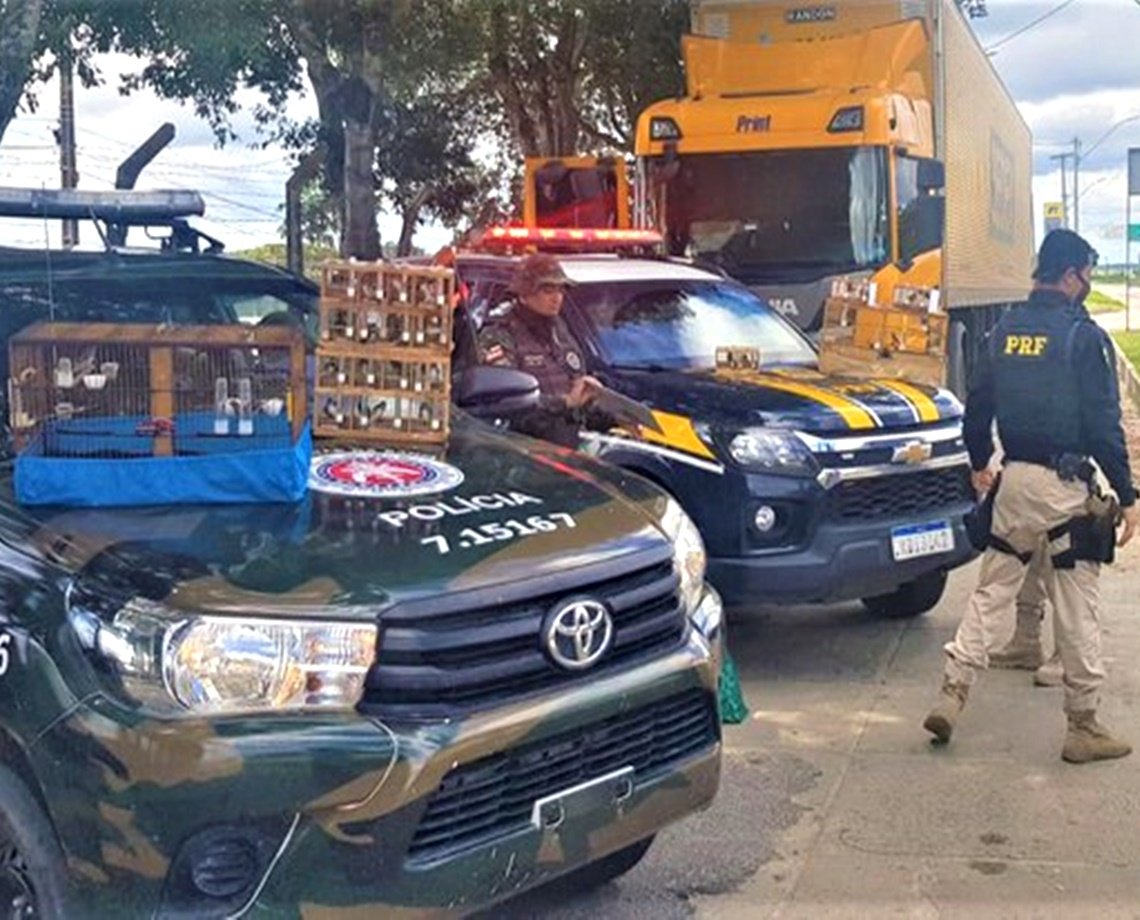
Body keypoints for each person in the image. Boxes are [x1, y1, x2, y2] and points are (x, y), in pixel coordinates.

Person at [923, 228, 1139, 763]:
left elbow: (977, 408)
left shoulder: (1002, 331)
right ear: (1070, 276)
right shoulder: (1083, 338)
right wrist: (1128, 494)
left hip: (1014, 482)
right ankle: (1083, 725)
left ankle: (953, 691)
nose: (1087, 285)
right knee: (1078, 602)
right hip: (1066, 489)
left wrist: (980, 465)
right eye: (1087, 276)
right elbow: (1104, 426)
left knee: (991, 589)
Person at [989, 290, 1122, 688]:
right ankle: (1027, 640)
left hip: (1065, 475)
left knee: (1065, 569)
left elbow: (1104, 417)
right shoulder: (1056, 334)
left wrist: (1124, 489)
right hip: (1039, 471)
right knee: (1033, 558)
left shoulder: (1081, 337)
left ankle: (1065, 654)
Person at [476, 253, 615, 448]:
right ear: (524, 293)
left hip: (566, 446)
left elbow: (574, 386)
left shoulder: (560, 329)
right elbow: (506, 403)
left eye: (561, 290)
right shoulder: (499, 334)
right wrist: (565, 403)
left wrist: (610, 413)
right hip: (523, 452)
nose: (557, 298)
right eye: (548, 290)